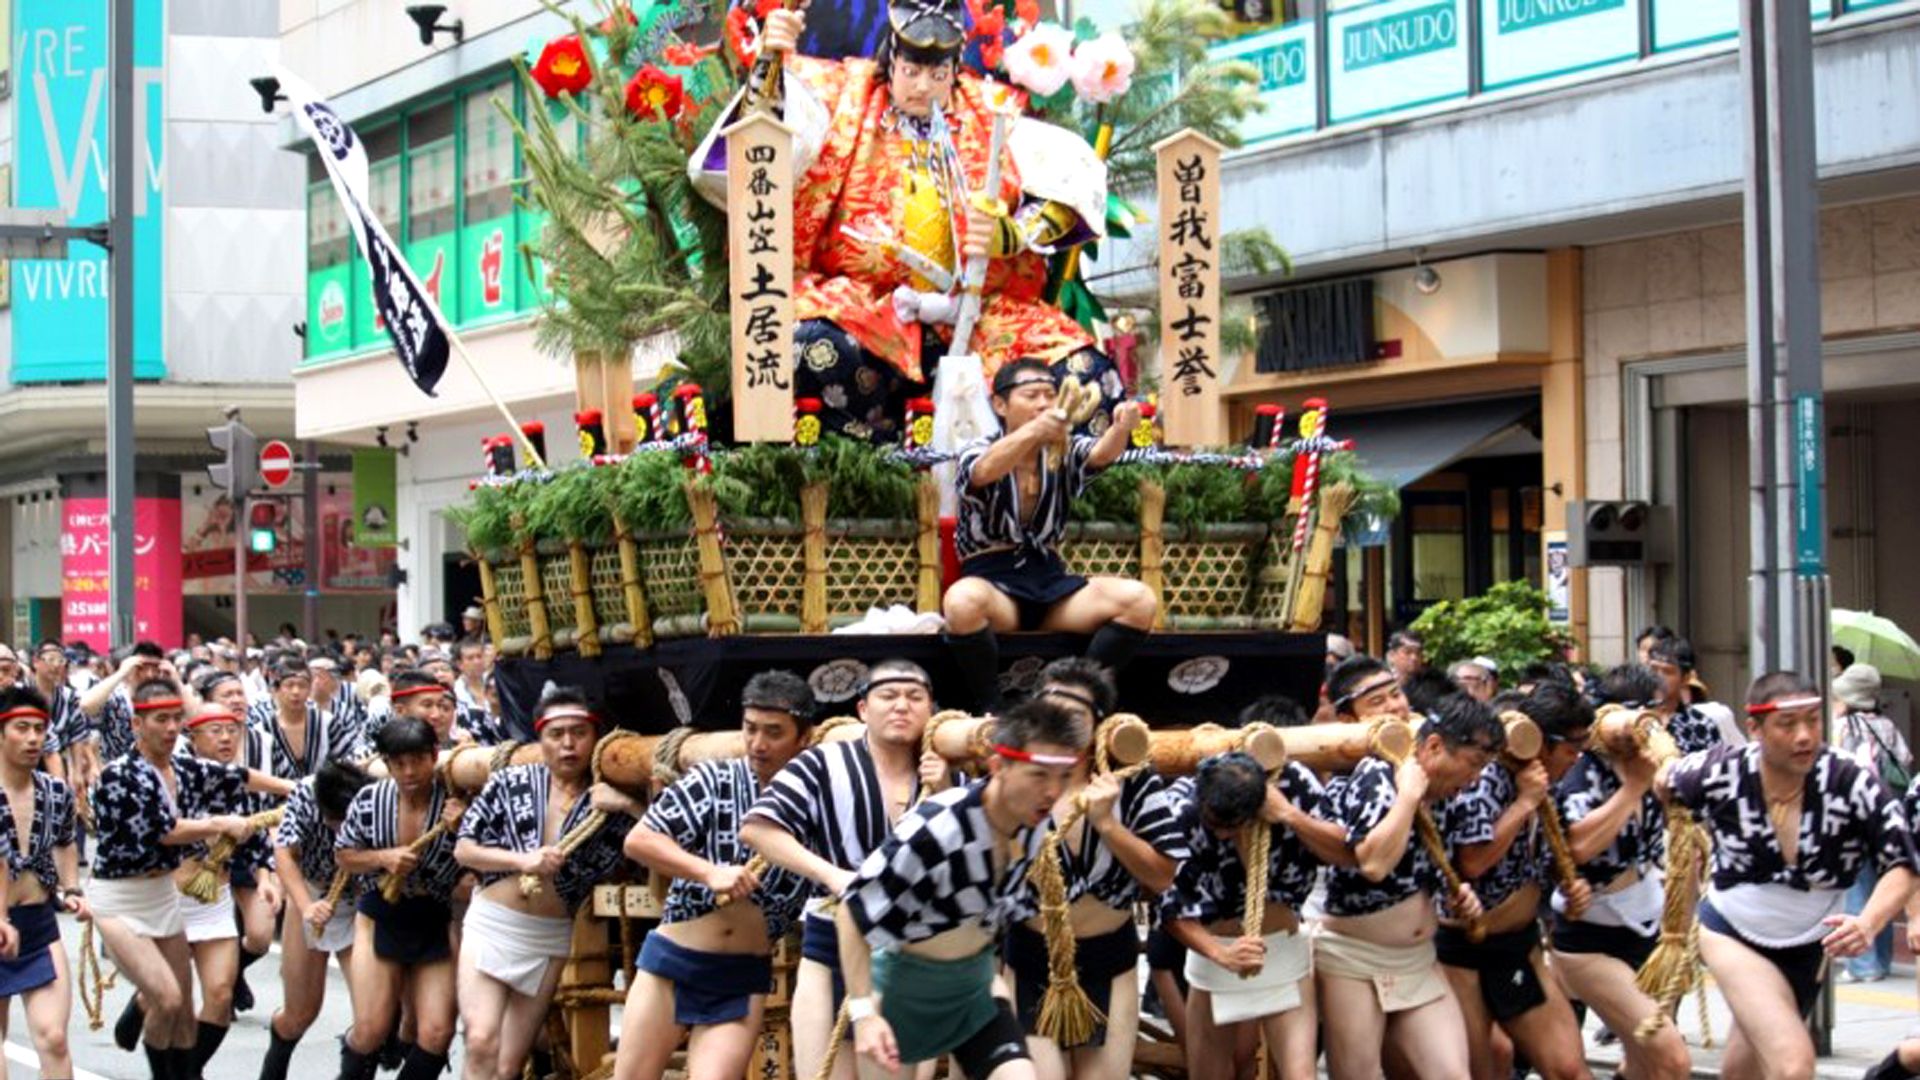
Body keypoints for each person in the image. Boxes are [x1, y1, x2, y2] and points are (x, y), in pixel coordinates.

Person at [698, 0, 1123, 443]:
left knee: (1089, 378)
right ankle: (879, 461)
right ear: (891, 59)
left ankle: (1011, 466)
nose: (923, 87)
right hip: (867, 312)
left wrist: (1013, 234)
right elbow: (756, 145)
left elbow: (1073, 181)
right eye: (911, 72)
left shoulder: (991, 109)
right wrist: (770, 61)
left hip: (981, 318)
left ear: (955, 69)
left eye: (938, 76)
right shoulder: (842, 95)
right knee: (809, 351)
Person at [1658, 671, 1918, 1080]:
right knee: (1793, 1064)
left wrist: (1868, 923)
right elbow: (1663, 779)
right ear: (1755, 729)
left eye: (1813, 721)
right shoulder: (1720, 770)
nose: (1804, 736)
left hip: (1809, 943)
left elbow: (1902, 861)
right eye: (1787, 724)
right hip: (1733, 932)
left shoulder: (1849, 779)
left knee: (1747, 1070)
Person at [838, 698, 1091, 1080]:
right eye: (1039, 775)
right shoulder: (934, 829)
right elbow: (852, 912)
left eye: (1062, 776)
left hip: (974, 987)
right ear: (998, 767)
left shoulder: (1035, 823)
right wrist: (863, 1014)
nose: (1053, 791)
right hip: (900, 992)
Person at [739, 659, 956, 1080]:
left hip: (908, 953)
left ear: (932, 709)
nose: (901, 706)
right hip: (829, 943)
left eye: (914, 697)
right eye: (888, 696)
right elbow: (758, 830)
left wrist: (947, 792)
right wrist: (831, 874)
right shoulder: (822, 762)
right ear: (862, 709)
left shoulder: (950, 773)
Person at [615, 671, 819, 1080]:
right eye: (750, 729)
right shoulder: (714, 778)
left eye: (774, 732)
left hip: (742, 973)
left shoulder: (820, 799)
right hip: (673, 961)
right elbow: (640, 840)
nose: (758, 744)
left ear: (804, 738)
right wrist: (708, 872)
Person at [1007, 659, 1185, 1080]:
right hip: (1031, 956)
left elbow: (1163, 877)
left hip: (1109, 956)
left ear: (1099, 725)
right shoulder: (1009, 775)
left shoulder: (1132, 778)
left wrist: (1108, 825)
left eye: (1073, 716)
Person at [91, 678, 277, 1080]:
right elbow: (163, 830)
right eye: (162, 719)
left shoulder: (186, 768)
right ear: (138, 724)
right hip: (122, 899)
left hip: (168, 897)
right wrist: (218, 824)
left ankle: (183, 1074)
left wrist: (302, 790)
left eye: (177, 718)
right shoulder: (119, 774)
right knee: (168, 997)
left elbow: (241, 778)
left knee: (193, 1008)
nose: (172, 727)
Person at [942, 358, 1151, 709]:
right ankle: (992, 707)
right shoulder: (978, 448)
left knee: (1139, 601)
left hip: (1051, 584)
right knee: (961, 602)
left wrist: (1121, 427)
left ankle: (1077, 696)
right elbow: (983, 472)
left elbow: (1101, 454)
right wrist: (1035, 431)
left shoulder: (1063, 447)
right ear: (1000, 405)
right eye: (1031, 395)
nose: (1043, 403)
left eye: (1050, 395)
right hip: (995, 587)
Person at [456, 688, 642, 1080]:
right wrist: (522, 859)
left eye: (578, 732)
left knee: (507, 1064)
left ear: (595, 737)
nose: (568, 744)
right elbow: (465, 850)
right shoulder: (510, 781)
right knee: (480, 1040)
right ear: (540, 739)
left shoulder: (606, 800)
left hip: (548, 936)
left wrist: (626, 805)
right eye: (556, 734)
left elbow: (656, 841)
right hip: (492, 922)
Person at [1314, 692, 1500, 1080]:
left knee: (1452, 1075)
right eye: (1474, 763)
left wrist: (1459, 896)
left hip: (1416, 958)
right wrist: (1409, 795)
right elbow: (1374, 863)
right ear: (1433, 746)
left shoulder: (1451, 797)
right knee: (1358, 1075)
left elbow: (1434, 869)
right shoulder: (1378, 776)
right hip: (1352, 957)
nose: (1476, 777)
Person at [1436, 680, 1595, 1080]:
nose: (1577, 759)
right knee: (1481, 1069)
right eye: (1571, 748)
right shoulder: (1485, 777)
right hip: (1463, 947)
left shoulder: (1547, 782)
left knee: (1569, 1068)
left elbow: (1546, 857)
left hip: (1520, 944)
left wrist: (1570, 884)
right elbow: (1471, 862)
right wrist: (1524, 803)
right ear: (1540, 741)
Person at [1162, 749, 1349, 1080]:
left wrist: (1290, 814)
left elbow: (1348, 855)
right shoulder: (1179, 807)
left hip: (1282, 947)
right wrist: (1221, 953)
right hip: (1215, 950)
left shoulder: (1295, 783)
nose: (1221, 834)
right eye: (1215, 824)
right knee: (1210, 1073)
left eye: (1232, 826)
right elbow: (1172, 907)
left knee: (1300, 1074)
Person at [1548, 671, 1690, 1080]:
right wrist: (1632, 790)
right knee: (1671, 1055)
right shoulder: (1583, 768)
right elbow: (1577, 848)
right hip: (1589, 935)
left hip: (1647, 923)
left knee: (1646, 1064)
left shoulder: (1658, 760)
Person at [333, 716, 469, 1080]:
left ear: (433, 756)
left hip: (433, 914)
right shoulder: (369, 799)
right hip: (380, 913)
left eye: (417, 761)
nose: (409, 772)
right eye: (399, 763)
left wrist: (463, 829)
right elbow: (344, 854)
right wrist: (382, 857)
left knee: (438, 1032)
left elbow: (476, 862)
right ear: (388, 764)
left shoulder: (457, 802)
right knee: (371, 1029)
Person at [260, 759, 375, 1080]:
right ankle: (273, 1067)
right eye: (336, 821)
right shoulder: (305, 794)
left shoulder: (375, 794)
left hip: (360, 902)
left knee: (371, 1021)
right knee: (300, 1013)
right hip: (311, 890)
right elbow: (283, 853)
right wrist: (305, 905)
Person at [0, 685, 85, 1079]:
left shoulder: (55, 792)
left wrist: (71, 889)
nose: (33, 737)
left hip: (37, 926)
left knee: (54, 1039)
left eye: (39, 728)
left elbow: (67, 843)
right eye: (22, 727)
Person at [1829, 662, 1912, 982]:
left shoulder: (1845, 726)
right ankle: (1883, 960)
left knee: (1857, 886)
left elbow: (1839, 768)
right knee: (1885, 886)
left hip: (1856, 817)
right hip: (1890, 813)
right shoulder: (1886, 724)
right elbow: (1904, 759)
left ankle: (1862, 965)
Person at [78, 640, 173, 762]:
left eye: (155, 669)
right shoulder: (117, 698)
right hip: (118, 774)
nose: (149, 675)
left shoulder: (167, 699)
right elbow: (86, 706)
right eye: (142, 668)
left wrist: (176, 679)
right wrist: (121, 673)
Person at [31, 641, 97, 792]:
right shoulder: (23, 693)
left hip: (60, 761)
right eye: (50, 659)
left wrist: (78, 771)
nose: (56, 665)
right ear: (36, 662)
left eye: (60, 660)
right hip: (28, 762)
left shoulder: (69, 696)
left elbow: (78, 734)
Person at [1645, 636, 1724, 754]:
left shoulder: (1702, 726)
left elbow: (1715, 769)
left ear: (1685, 678)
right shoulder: (1629, 717)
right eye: (1653, 669)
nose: (1658, 677)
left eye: (1667, 672)